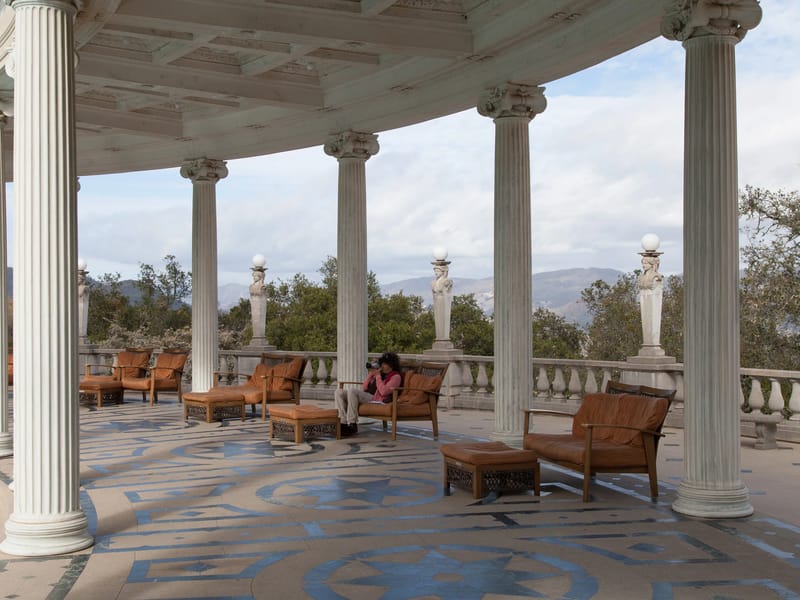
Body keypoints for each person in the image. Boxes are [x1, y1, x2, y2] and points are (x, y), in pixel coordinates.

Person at [334, 351, 402, 436]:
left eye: (384, 364)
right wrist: (371, 374)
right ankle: (342, 423)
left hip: (379, 399)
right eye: (382, 364)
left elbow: (384, 392)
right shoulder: (382, 374)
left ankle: (352, 424)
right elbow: (365, 387)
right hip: (371, 397)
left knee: (352, 391)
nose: (382, 366)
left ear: (391, 365)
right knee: (339, 392)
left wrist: (377, 376)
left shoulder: (395, 377)